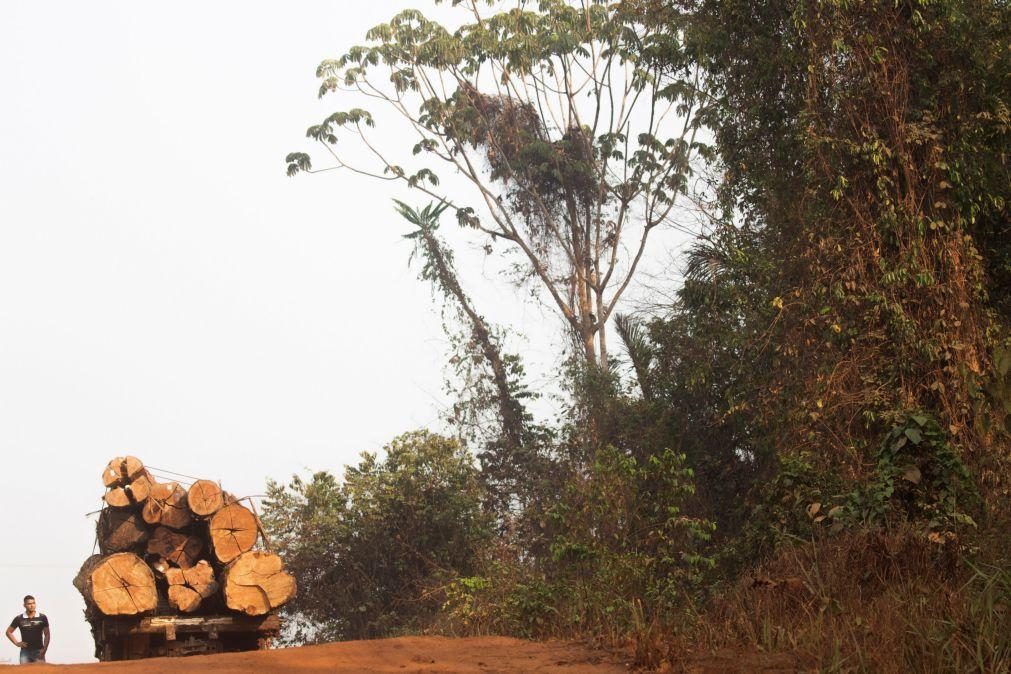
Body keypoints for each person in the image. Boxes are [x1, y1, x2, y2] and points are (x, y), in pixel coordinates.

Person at [6, 596, 49, 664]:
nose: (32, 605)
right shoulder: (19, 618)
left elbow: (47, 634)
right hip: (25, 652)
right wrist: (17, 643)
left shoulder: (42, 617)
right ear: (24, 605)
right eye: (29, 604)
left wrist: (45, 649)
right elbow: (8, 632)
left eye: (33, 603)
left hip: (39, 651)